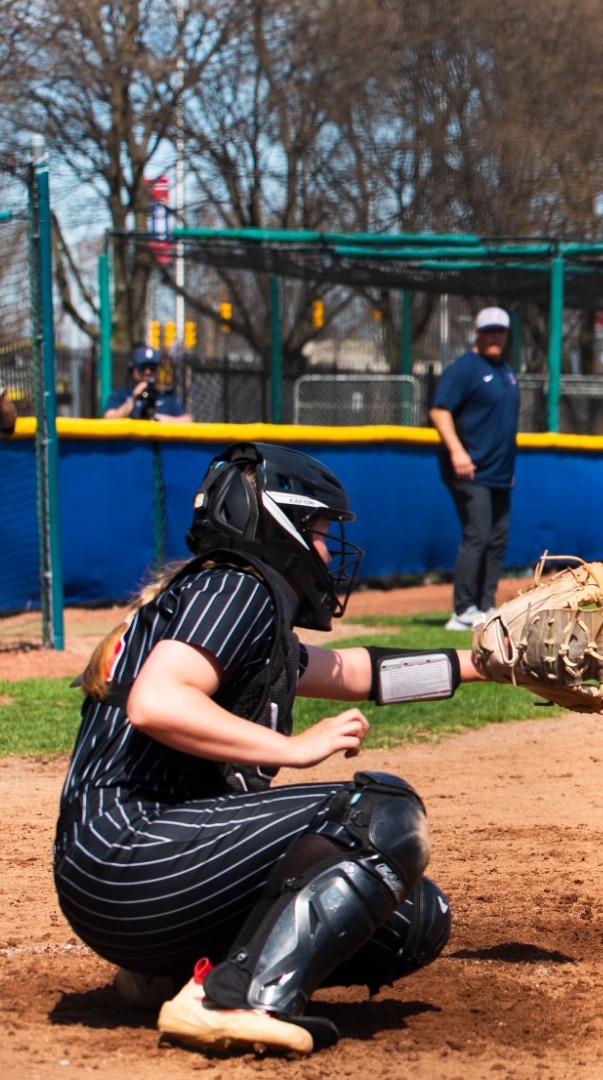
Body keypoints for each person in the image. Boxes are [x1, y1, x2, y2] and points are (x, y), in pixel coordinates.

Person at [55, 442, 496, 1056]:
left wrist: (491, 664)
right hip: (130, 853)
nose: (327, 551)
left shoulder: (226, 600)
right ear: (275, 525)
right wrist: (292, 746)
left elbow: (358, 672)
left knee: (414, 919)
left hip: (126, 881)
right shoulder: (238, 587)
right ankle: (231, 998)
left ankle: (171, 972)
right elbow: (156, 702)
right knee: (378, 815)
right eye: (319, 531)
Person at [429, 307, 518, 631]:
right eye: (489, 331)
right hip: (471, 469)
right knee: (477, 534)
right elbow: (440, 411)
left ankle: (486, 605)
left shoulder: (506, 371)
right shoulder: (465, 369)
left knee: (498, 538)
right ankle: (463, 610)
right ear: (478, 333)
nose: (495, 337)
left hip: (499, 472)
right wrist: (457, 451)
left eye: (500, 331)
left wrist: (507, 466)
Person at [102, 346, 192, 422]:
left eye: (152, 367)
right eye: (142, 367)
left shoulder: (166, 397)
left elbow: (187, 421)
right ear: (132, 368)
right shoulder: (121, 395)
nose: (147, 372)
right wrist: (134, 398)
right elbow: (108, 418)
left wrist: (157, 418)